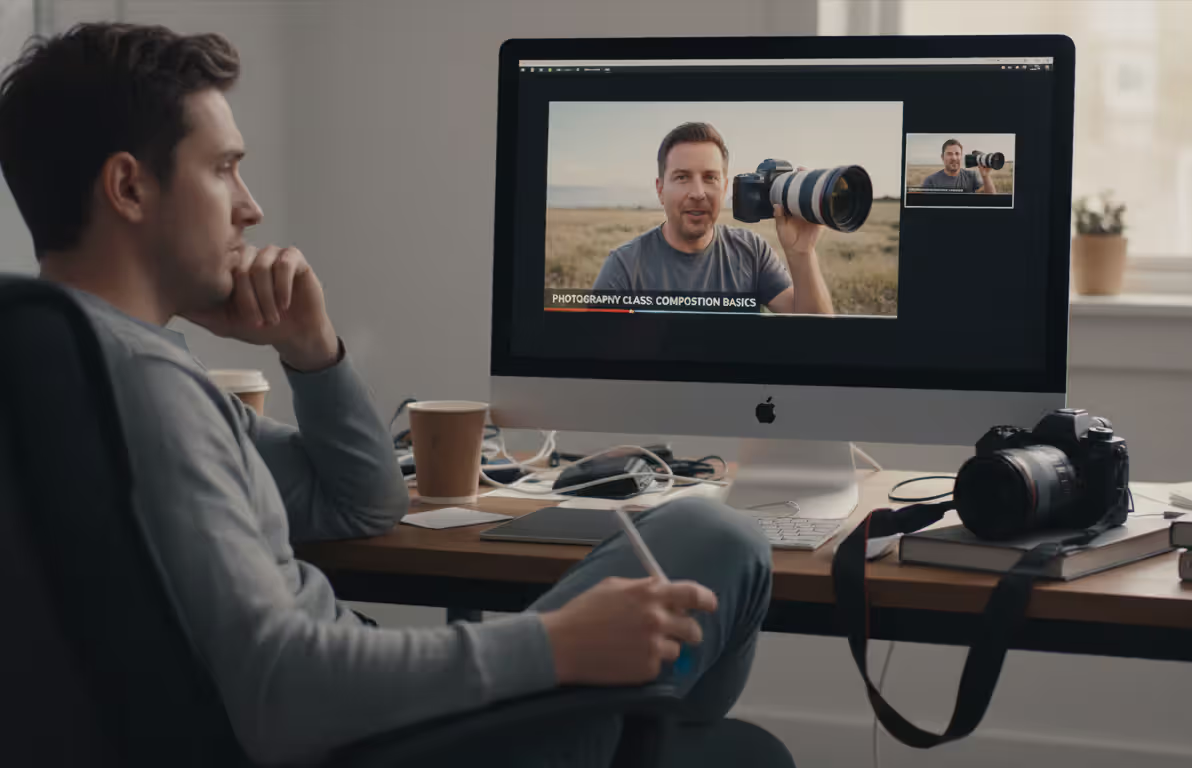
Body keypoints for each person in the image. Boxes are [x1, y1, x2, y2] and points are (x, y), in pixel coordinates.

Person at [0, 23, 771, 767]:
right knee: (725, 541)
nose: (250, 205)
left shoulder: (80, 368)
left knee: (702, 641)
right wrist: (559, 644)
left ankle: (639, 725)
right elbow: (280, 693)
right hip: (378, 744)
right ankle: (639, 723)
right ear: (129, 186)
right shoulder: (145, 389)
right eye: (223, 167)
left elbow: (362, 506)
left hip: (366, 721)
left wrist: (309, 347)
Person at [592, 122, 835, 315]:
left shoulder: (752, 252)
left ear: (725, 187)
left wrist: (803, 253)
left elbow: (816, 337)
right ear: (660, 190)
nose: (698, 193)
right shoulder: (623, 266)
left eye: (710, 178)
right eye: (682, 177)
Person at [920, 138, 997, 195]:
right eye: (949, 154)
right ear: (942, 157)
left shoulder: (972, 176)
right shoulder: (931, 181)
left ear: (961, 156)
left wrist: (986, 176)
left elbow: (990, 200)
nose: (954, 158)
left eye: (957, 154)